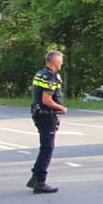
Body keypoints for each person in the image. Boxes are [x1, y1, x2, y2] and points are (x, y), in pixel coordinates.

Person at [29, 50, 68, 194]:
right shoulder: (50, 77)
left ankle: (35, 177)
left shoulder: (41, 73)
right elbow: (47, 100)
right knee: (47, 149)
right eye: (61, 59)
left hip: (39, 114)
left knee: (45, 147)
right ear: (55, 61)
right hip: (47, 116)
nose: (62, 62)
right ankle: (40, 182)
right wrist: (62, 108)